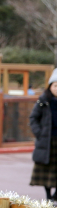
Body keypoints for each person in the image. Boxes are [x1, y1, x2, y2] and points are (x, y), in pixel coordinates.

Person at [29, 69, 57, 200]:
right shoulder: (43, 101)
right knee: (46, 170)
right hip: (47, 141)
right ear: (50, 86)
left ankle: (55, 195)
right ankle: (48, 196)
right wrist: (39, 133)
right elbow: (33, 118)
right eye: (55, 85)